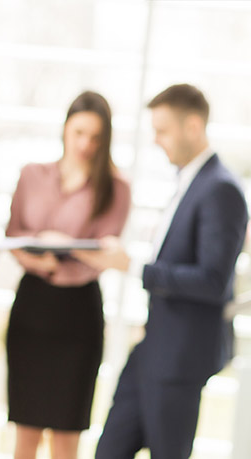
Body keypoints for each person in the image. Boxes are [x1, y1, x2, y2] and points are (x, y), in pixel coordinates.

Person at [73, 84, 248, 459]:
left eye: (163, 130)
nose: (156, 140)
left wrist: (134, 266)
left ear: (194, 127)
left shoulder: (221, 190)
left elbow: (213, 282)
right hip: (153, 350)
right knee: (109, 450)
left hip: (180, 359)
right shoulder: (190, 182)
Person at [5, 91, 131, 459]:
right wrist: (37, 261)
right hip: (32, 307)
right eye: (79, 133)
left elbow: (104, 255)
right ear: (64, 129)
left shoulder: (116, 188)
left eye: (95, 137)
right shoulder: (32, 175)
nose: (85, 145)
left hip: (79, 314)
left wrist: (60, 243)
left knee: (66, 435)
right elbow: (13, 236)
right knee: (25, 430)